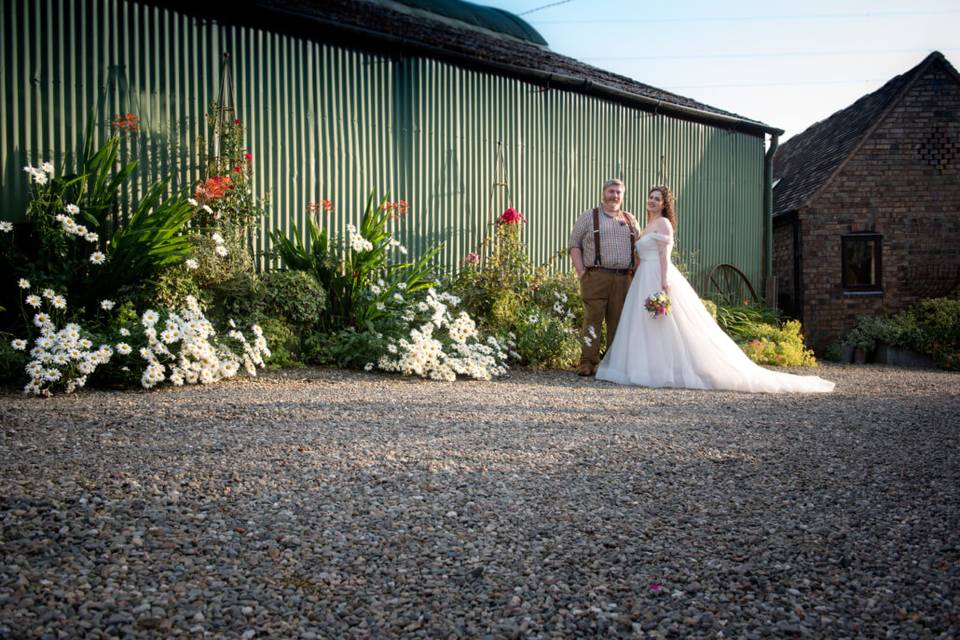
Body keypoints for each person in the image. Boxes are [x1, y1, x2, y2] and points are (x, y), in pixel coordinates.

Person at [595, 185, 835, 393]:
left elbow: (664, 255)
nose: (652, 201)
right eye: (650, 197)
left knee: (663, 324)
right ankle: (644, 366)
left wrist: (664, 282)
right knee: (644, 324)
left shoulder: (664, 223)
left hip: (656, 275)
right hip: (641, 277)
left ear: (664, 203)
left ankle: (667, 370)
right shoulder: (647, 224)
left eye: (657, 198)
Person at [568, 179, 642, 376]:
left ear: (623, 196)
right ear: (603, 193)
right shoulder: (588, 216)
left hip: (623, 278)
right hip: (596, 276)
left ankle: (612, 364)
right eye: (611, 191)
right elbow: (574, 244)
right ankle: (587, 362)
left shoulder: (630, 219)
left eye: (618, 192)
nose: (615, 196)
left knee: (618, 323)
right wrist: (581, 271)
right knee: (592, 320)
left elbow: (640, 248)